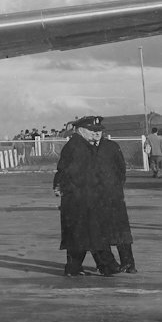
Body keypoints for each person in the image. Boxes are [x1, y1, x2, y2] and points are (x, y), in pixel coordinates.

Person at [52, 115, 132, 277]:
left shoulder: (82, 145)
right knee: (87, 233)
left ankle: (77, 268)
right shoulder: (78, 147)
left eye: (98, 130)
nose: (95, 133)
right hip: (81, 198)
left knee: (83, 234)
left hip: (85, 198)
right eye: (91, 130)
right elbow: (72, 174)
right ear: (81, 130)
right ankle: (104, 266)